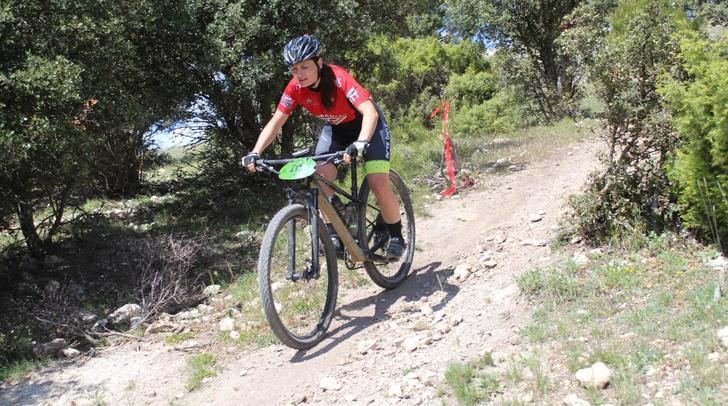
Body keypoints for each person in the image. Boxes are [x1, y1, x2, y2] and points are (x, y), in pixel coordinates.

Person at [243, 34, 404, 260]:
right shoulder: (295, 88)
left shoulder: (339, 78)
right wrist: (255, 152)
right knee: (318, 176)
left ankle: (396, 235)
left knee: (378, 184)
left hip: (369, 127)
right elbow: (277, 120)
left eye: (304, 67)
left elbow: (370, 112)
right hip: (336, 129)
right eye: (294, 69)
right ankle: (339, 223)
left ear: (319, 62)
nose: (299, 74)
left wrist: (361, 142)